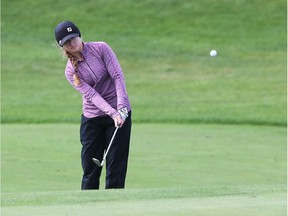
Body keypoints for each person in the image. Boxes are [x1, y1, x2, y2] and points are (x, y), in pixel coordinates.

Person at [54, 21, 132, 190]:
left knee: (116, 166)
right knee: (90, 170)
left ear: (79, 35)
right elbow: (92, 95)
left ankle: (114, 206)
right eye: (67, 41)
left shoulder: (101, 48)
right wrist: (113, 113)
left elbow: (117, 76)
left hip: (120, 111)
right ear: (62, 46)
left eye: (74, 37)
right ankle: (88, 208)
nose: (72, 42)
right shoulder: (70, 71)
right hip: (93, 118)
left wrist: (121, 107)